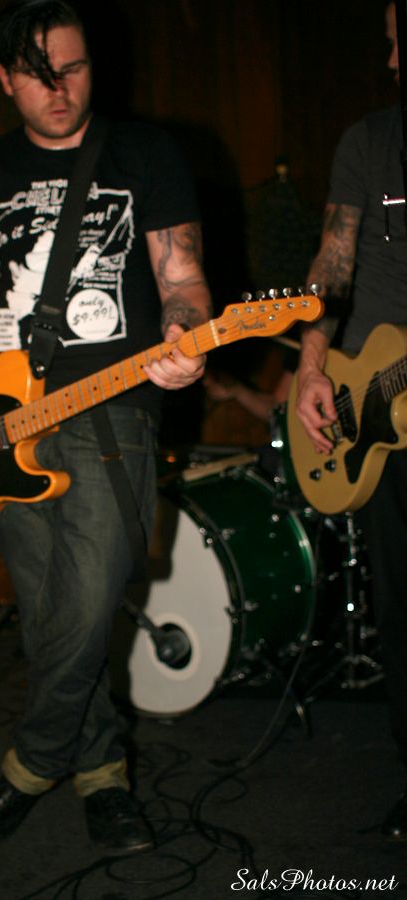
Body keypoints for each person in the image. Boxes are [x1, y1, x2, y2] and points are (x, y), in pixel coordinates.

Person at [0, 0, 210, 857]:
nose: (59, 90)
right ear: (3, 79)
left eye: (73, 69)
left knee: (93, 595)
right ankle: (103, 778)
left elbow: (182, 280)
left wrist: (185, 335)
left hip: (113, 404)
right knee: (52, 614)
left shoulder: (145, 153)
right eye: (37, 76)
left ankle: (29, 766)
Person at [295, 0, 407, 841]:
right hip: (374, 403)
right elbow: (333, 265)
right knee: (400, 606)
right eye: (391, 43)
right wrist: (312, 363)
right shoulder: (369, 141)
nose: (393, 60)